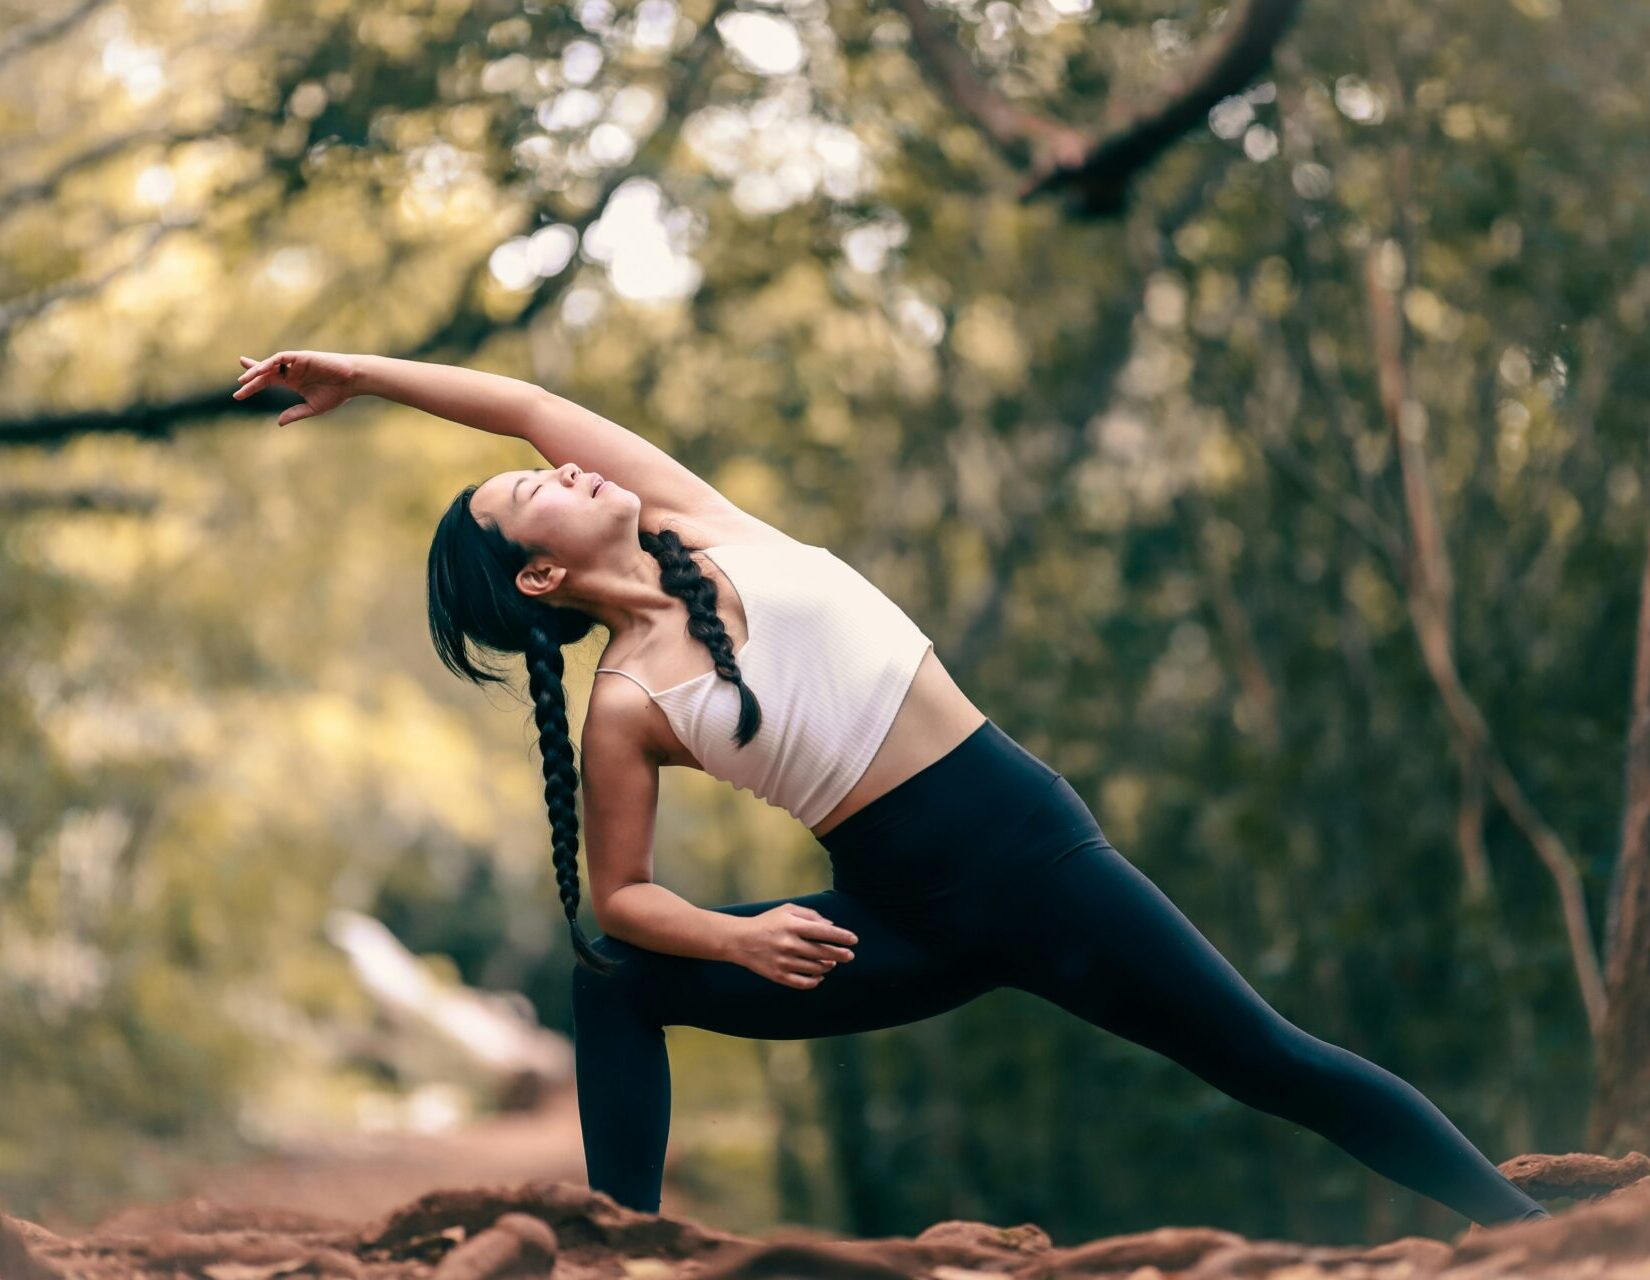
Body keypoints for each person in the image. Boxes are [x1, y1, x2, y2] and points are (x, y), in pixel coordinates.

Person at [234, 349, 1552, 1228]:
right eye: (535, 494)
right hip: (898, 924)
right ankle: (614, 1247)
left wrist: (358, 372)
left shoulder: (697, 522)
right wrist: (737, 933)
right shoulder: (627, 703)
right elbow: (623, 900)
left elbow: (518, 402)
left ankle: (1538, 1241)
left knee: (1273, 1063)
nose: (565, 464)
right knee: (608, 983)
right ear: (536, 578)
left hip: (1037, 863)